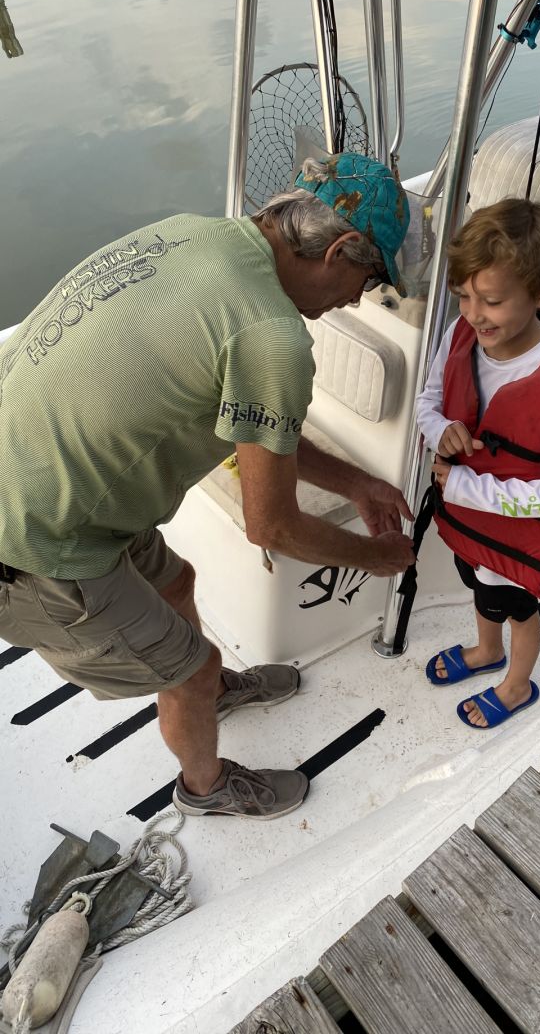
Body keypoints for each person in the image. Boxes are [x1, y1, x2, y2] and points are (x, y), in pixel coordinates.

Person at [0, 151, 415, 819]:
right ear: (339, 252)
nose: (353, 301)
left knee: (177, 583)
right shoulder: (272, 337)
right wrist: (379, 558)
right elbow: (272, 527)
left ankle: (213, 690)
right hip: (34, 544)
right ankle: (205, 787)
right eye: (367, 282)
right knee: (188, 671)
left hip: (50, 477)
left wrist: (356, 482)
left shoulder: (198, 235)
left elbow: (257, 427)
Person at [415, 198, 540, 729]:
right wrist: (441, 429)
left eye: (493, 301)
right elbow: (428, 402)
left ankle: (517, 684)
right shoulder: (462, 335)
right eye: (464, 296)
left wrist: (466, 488)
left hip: (518, 537)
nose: (474, 314)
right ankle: (487, 651)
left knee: (520, 609)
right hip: (473, 525)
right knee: (480, 586)